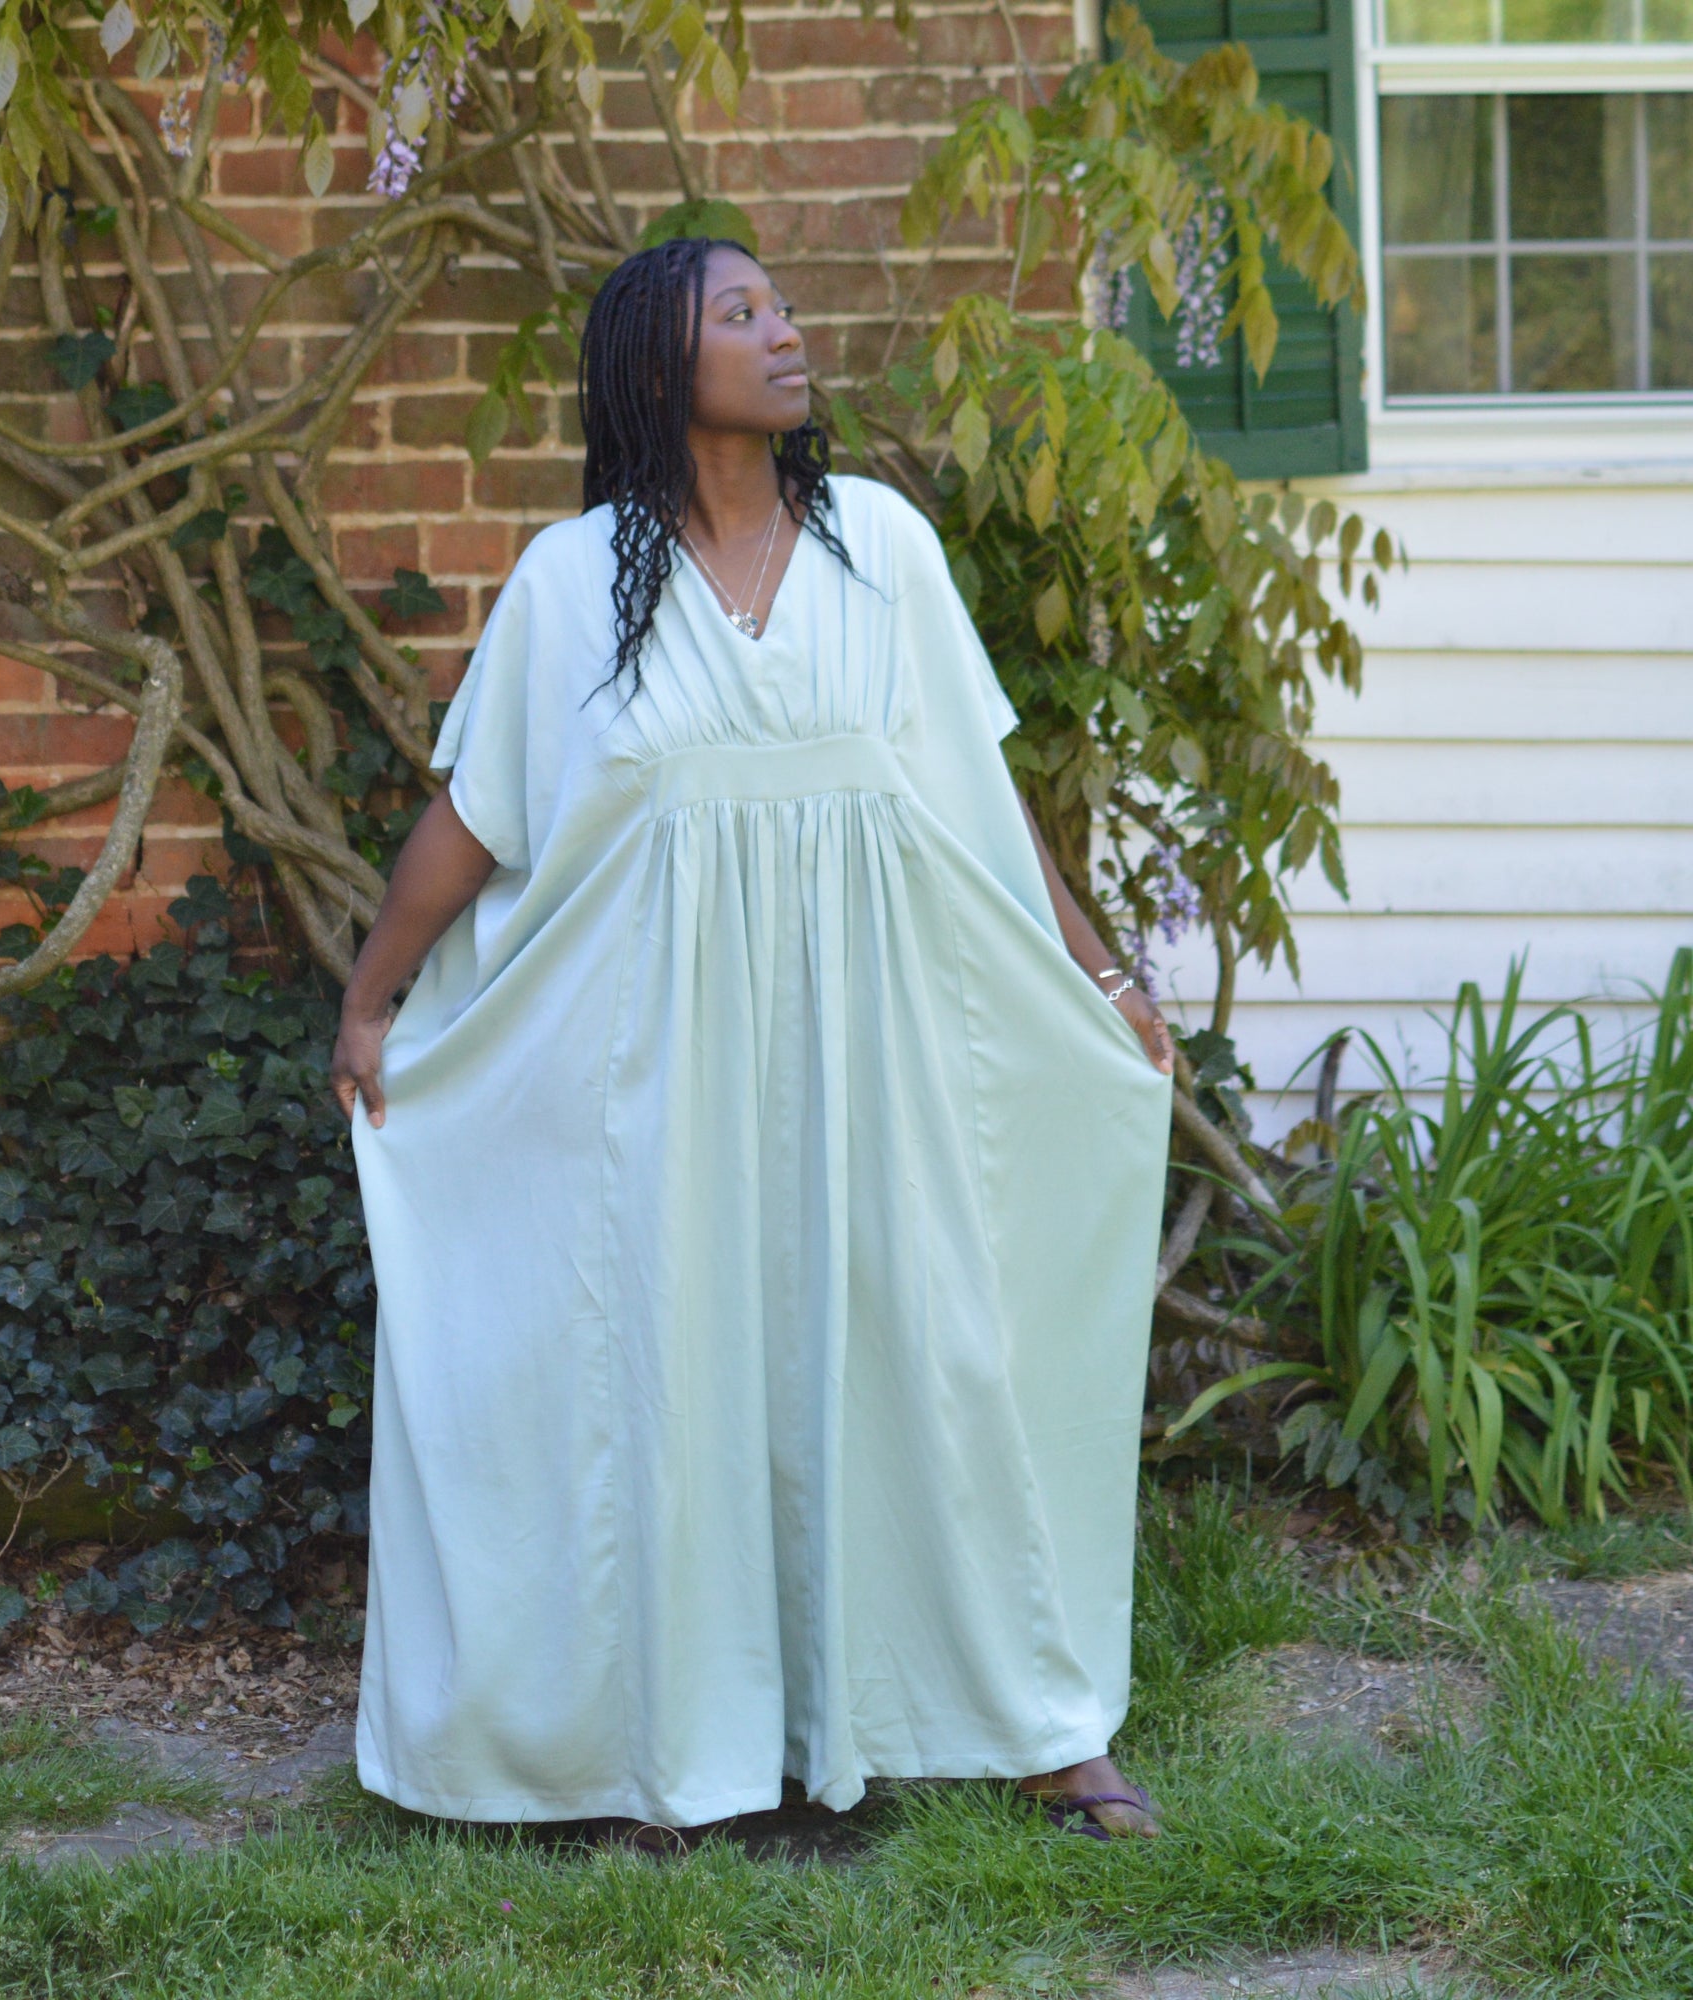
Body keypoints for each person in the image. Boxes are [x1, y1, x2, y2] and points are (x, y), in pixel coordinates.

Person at [331, 238, 1176, 1845]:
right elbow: (477, 812)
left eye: (783, 307)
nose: (788, 334)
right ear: (663, 365)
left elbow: (983, 806)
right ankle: (683, 1738)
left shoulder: (885, 552)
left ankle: (1047, 1725)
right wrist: (376, 993)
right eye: (744, 315)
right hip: (657, 1080)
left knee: (937, 1356)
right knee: (668, 1375)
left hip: (881, 1061)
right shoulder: (574, 585)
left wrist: (1107, 974)